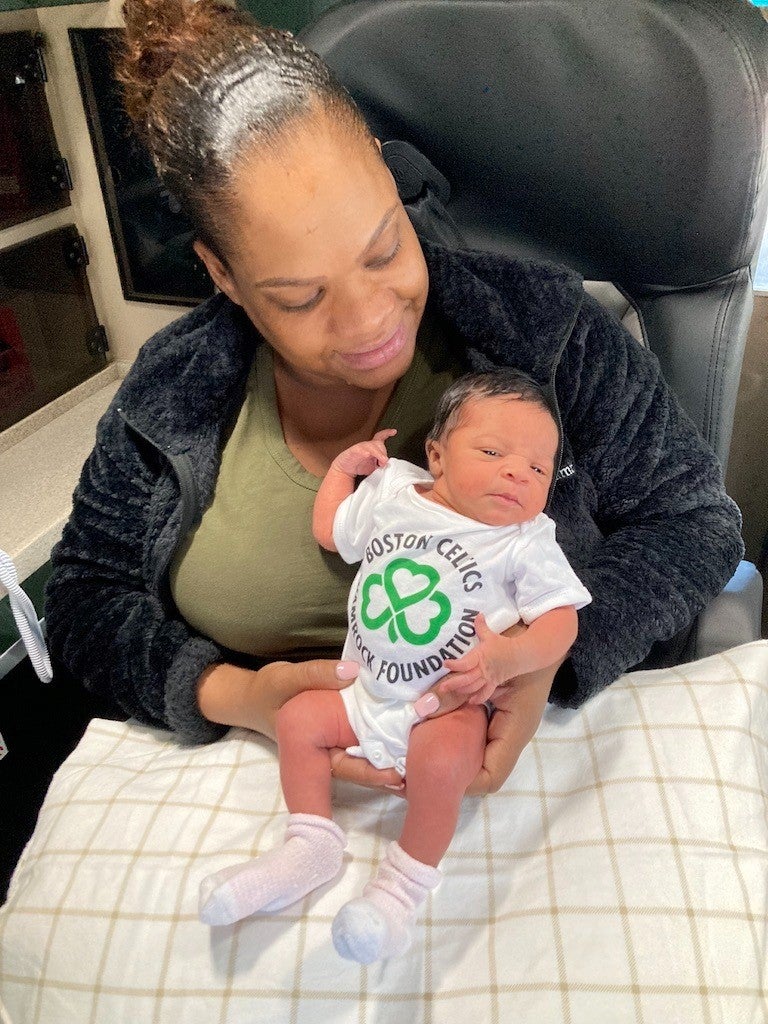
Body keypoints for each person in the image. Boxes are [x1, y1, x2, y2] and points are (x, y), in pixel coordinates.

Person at [45, 0, 742, 829]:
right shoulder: (167, 398)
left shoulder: (545, 335)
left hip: (514, 773)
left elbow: (694, 522)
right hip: (264, 789)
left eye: (384, 249)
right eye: (301, 298)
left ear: (384, 170)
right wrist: (239, 696)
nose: (371, 320)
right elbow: (83, 601)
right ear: (221, 274)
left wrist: (539, 671)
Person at [198, 370, 592, 963]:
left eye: (538, 469)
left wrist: (509, 656)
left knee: (445, 758)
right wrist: (341, 473)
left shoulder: (524, 541)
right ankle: (310, 844)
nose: (517, 472)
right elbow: (331, 533)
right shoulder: (394, 494)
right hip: (364, 691)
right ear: (435, 454)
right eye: (492, 452)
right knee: (299, 719)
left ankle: (400, 889)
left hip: (444, 703)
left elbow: (562, 622)